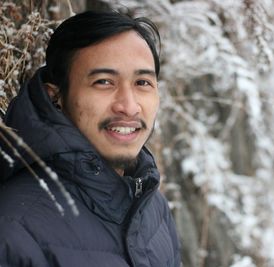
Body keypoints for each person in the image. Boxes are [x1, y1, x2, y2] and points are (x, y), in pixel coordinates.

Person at [0, 10, 181, 267]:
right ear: (56, 97)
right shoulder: (14, 228)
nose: (129, 107)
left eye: (142, 82)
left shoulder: (153, 209)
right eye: (104, 82)